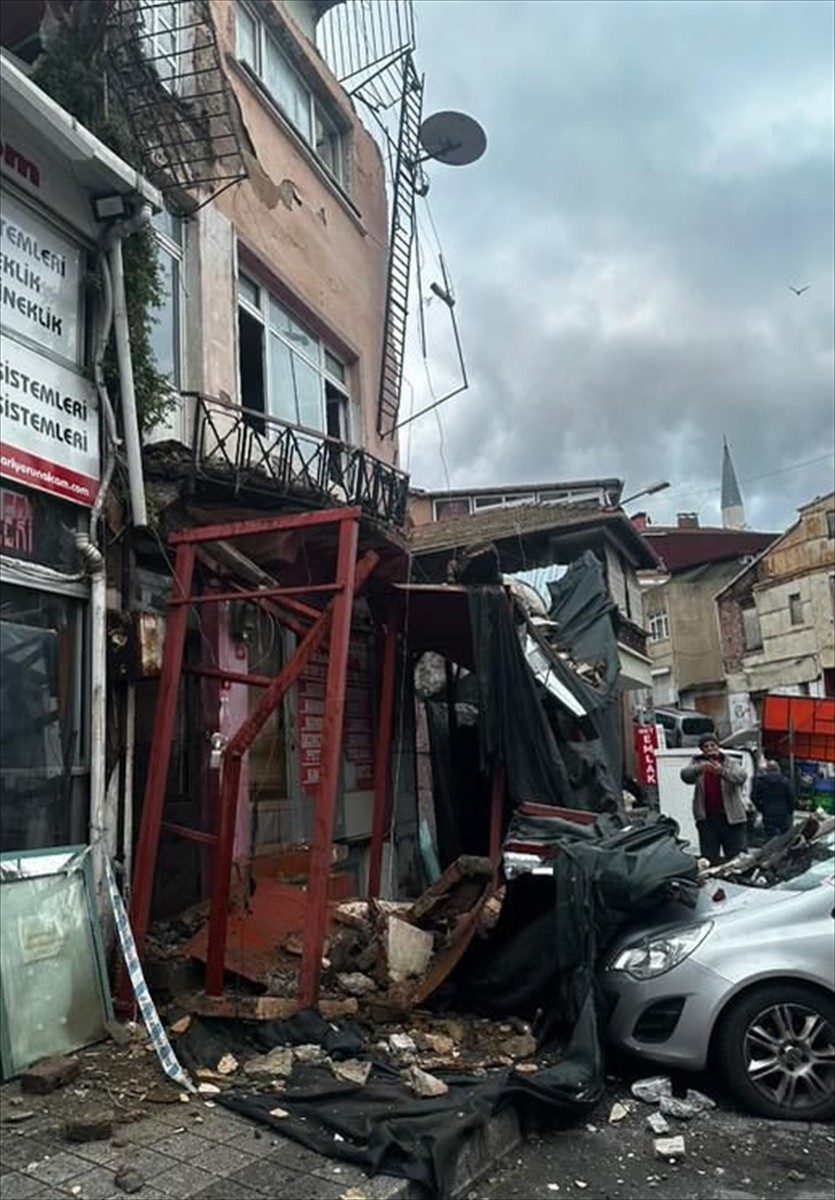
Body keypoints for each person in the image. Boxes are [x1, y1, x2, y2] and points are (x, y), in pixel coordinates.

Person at [680, 734, 748, 865]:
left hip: (732, 819)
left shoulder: (729, 762)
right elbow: (685, 776)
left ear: (718, 746)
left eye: (713, 745)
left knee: (737, 858)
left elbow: (741, 777)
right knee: (708, 859)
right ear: (702, 749)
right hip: (708, 819)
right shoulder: (697, 762)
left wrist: (721, 772)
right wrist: (700, 768)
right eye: (706, 746)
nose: (710, 749)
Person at [751, 760, 795, 841]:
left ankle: (770, 853)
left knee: (769, 838)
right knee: (784, 839)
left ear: (767, 770)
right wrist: (790, 811)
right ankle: (781, 853)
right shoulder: (785, 782)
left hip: (768, 814)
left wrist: (761, 808)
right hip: (783, 815)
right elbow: (791, 798)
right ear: (778, 769)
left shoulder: (761, 782)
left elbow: (754, 797)